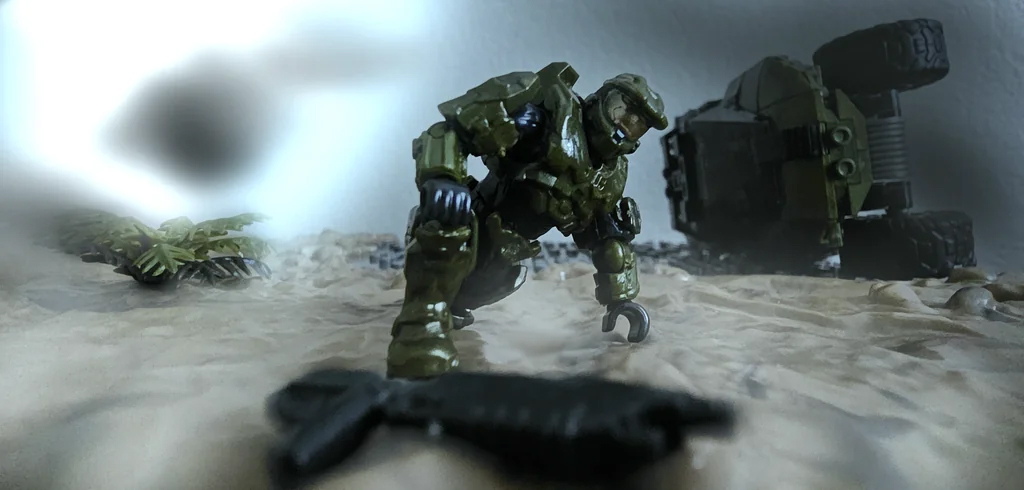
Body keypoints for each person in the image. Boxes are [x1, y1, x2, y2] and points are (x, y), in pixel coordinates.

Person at [388, 62, 669, 379]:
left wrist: (621, 300)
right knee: (448, 226)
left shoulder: (610, 174)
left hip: (502, 261)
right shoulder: (547, 117)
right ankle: (420, 330)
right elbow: (451, 130)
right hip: (474, 217)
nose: (625, 124)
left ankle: (450, 305)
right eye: (621, 109)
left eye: (637, 124)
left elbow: (607, 238)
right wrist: (443, 178)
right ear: (600, 99)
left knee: (498, 280)